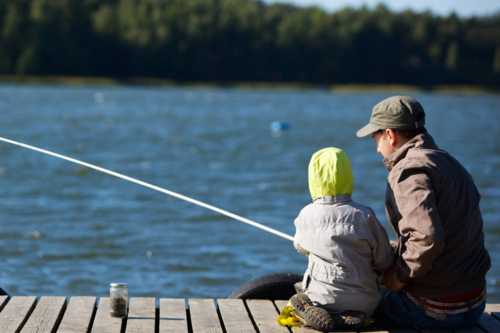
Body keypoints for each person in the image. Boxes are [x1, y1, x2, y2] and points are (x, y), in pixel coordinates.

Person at [356, 95, 491, 329]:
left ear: (390, 135)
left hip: (435, 311)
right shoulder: (448, 162)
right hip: (474, 303)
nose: (377, 148)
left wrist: (397, 279)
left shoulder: (408, 172)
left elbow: (427, 238)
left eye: (375, 138)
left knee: (360, 301)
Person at [288, 147, 394, 331]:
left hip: (323, 298)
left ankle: (309, 309)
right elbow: (384, 259)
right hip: (366, 302)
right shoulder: (364, 215)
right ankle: (350, 316)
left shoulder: (306, 215)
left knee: (299, 296)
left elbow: (300, 246)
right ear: (348, 177)